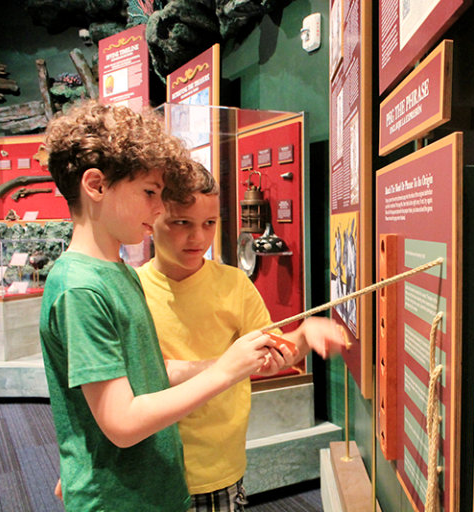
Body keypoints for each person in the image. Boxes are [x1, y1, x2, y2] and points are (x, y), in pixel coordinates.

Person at [39, 101, 300, 512]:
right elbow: (122, 423)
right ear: (96, 186)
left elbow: (139, 381)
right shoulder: (81, 289)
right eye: (149, 193)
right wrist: (227, 369)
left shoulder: (116, 273)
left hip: (154, 488)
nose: (159, 209)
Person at [137, 162, 342, 511]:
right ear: (152, 218)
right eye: (181, 223)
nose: (198, 238)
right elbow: (145, 376)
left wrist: (304, 334)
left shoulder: (233, 284)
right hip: (153, 465)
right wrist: (226, 366)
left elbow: (270, 357)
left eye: (209, 224)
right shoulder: (133, 290)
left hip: (221, 465)